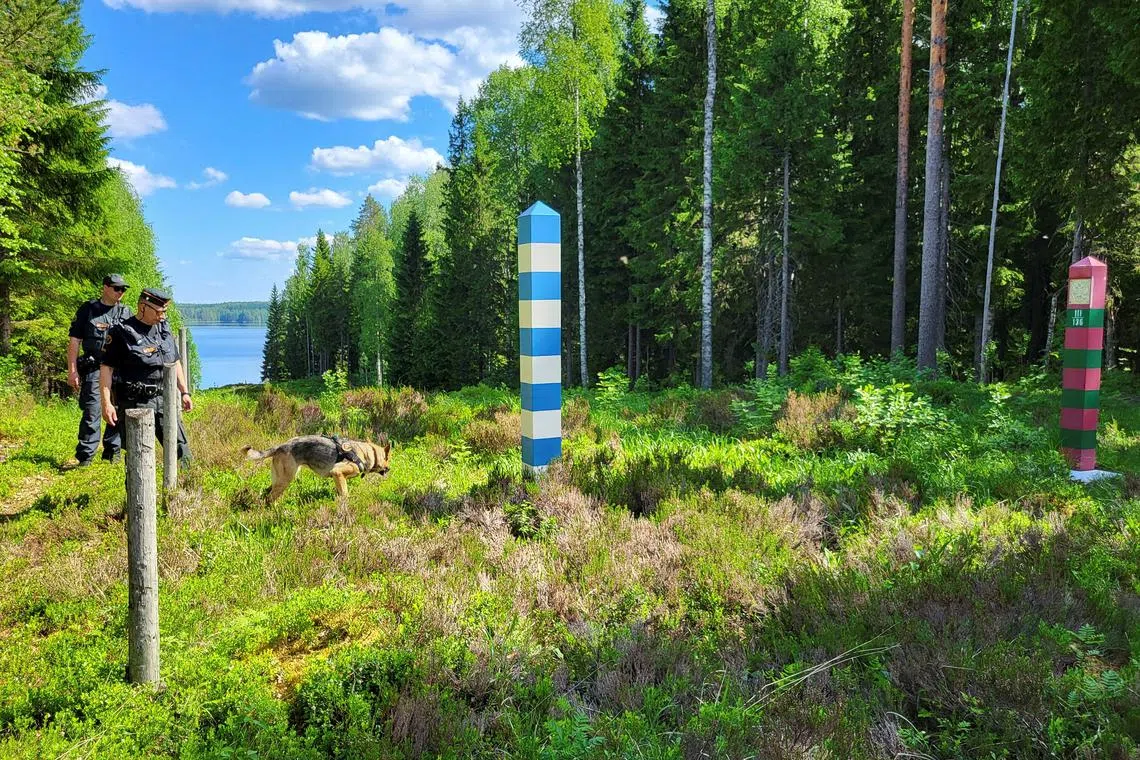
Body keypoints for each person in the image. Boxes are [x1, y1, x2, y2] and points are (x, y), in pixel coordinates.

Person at [100, 287, 193, 461]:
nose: (162, 316)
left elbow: (175, 361)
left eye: (164, 312)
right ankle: (139, 489)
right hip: (137, 403)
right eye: (159, 312)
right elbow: (106, 369)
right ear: (143, 307)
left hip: (164, 399)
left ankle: (187, 486)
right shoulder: (121, 333)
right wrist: (106, 403)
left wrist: (184, 392)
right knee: (140, 456)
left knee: (181, 450)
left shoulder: (163, 329)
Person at [66, 274, 133, 467]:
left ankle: (113, 453)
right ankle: (86, 456)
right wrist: (72, 371)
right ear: (105, 287)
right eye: (116, 288)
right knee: (92, 411)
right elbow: (74, 341)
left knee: (117, 410)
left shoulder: (126, 313)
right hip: (95, 368)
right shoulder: (89, 310)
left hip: (119, 370)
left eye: (123, 289)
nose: (120, 292)